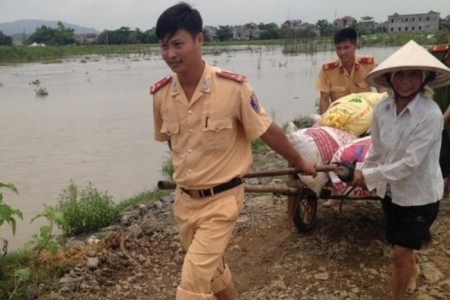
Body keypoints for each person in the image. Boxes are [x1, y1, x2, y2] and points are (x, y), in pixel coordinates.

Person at [151, 3, 317, 300]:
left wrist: (301, 161)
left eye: (178, 44)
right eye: (164, 46)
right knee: (212, 271)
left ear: (199, 40)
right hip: (185, 203)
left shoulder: (233, 88)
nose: (170, 54)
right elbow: (173, 143)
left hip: (222, 201)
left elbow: (267, 131)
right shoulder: (162, 94)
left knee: (192, 283)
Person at [344, 40, 450, 300]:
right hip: (392, 192)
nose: (406, 81)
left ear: (424, 78)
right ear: (389, 78)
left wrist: (366, 177)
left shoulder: (430, 114)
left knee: (399, 253)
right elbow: (377, 149)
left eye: (413, 74)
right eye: (400, 74)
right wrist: (362, 175)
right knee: (398, 244)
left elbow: (410, 164)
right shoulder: (382, 107)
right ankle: (411, 268)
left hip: (421, 194)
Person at [315, 27, 380, 115]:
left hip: (365, 116)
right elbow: (324, 99)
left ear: (356, 46)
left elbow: (381, 90)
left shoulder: (369, 64)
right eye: (338, 48)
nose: (342, 52)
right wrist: (323, 123)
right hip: (340, 118)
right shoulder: (327, 70)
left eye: (346, 47)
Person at [429, 44, 450, 197]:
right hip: (437, 115)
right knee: (440, 155)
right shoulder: (438, 53)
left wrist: (442, 119)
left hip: (442, 118)